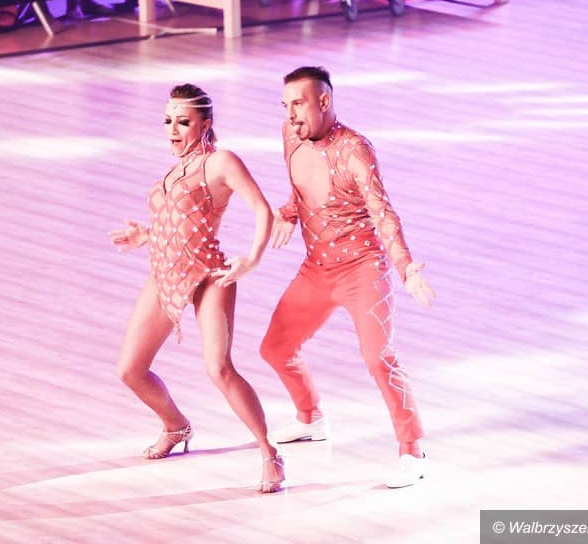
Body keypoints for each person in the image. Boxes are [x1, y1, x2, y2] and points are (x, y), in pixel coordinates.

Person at [260, 66, 436, 488]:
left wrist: (405, 267)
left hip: (363, 269)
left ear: (324, 101)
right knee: (275, 348)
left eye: (298, 104)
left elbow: (382, 212)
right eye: (285, 106)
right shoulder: (290, 135)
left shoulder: (355, 149)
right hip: (316, 269)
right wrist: (288, 212)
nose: (291, 115)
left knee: (378, 358)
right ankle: (310, 418)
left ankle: (413, 450)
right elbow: (304, 187)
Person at [109, 84, 285, 493]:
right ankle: (176, 425)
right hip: (166, 273)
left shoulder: (220, 162)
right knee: (130, 370)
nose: (173, 130)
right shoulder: (174, 171)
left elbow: (262, 209)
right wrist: (147, 236)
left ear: (205, 124)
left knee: (218, 368)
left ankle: (269, 453)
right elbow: (179, 225)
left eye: (183, 122)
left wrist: (253, 258)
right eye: (168, 121)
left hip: (209, 276)